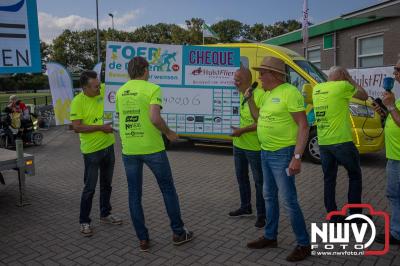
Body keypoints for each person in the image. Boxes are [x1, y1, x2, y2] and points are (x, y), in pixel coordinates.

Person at [116, 56, 193, 252]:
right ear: (144, 70)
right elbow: (154, 117)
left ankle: (143, 239)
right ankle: (178, 232)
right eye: (148, 69)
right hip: (152, 148)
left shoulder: (120, 91)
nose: (149, 73)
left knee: (134, 194)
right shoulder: (152, 88)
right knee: (168, 190)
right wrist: (169, 133)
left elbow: (122, 119)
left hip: (129, 149)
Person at [245, 56, 311, 262]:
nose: (259, 77)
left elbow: (303, 125)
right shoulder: (267, 93)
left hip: (283, 155)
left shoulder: (290, 93)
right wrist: (249, 99)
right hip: (265, 152)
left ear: (274, 74)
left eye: (262, 73)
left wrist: (297, 157)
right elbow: (258, 118)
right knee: (269, 197)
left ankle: (304, 243)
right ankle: (270, 236)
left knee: (288, 200)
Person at [70, 70, 122, 237]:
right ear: (85, 87)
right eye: (95, 87)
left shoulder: (103, 89)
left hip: (108, 147)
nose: (99, 89)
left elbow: (120, 83)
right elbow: (76, 127)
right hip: (91, 152)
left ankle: (105, 214)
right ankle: (84, 221)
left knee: (107, 185)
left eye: (99, 85)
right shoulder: (78, 102)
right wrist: (101, 127)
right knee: (89, 188)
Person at [312, 66, 368, 220]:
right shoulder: (343, 86)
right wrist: (349, 79)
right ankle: (355, 216)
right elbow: (364, 95)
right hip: (341, 141)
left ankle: (333, 215)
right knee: (355, 175)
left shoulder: (317, 88)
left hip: (323, 142)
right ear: (342, 76)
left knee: (329, 178)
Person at [229, 66, 266, 229]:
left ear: (247, 80)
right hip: (238, 145)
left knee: (259, 182)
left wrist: (242, 131)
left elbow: (260, 122)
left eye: (238, 80)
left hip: (254, 147)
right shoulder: (235, 95)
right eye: (235, 79)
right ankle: (246, 207)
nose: (235, 83)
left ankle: (262, 215)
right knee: (241, 178)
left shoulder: (259, 95)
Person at [374, 59, 400, 245]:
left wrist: (390, 106)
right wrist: (385, 111)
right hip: (394, 155)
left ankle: (397, 233)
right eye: (394, 68)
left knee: (394, 195)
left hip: (398, 158)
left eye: (398, 69)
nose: (395, 72)